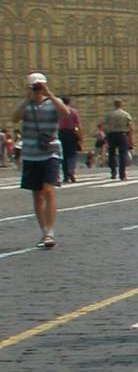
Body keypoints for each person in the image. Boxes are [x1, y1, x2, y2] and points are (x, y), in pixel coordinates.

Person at [13, 73, 64, 248]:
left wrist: (49, 94)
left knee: (49, 190)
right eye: (34, 86)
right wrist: (27, 99)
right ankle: (44, 232)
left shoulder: (53, 103)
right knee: (37, 195)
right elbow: (15, 118)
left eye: (39, 86)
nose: (37, 89)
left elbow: (65, 113)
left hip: (51, 153)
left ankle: (50, 232)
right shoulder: (26, 105)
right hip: (30, 154)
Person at [101, 98, 135, 180]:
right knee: (122, 154)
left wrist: (106, 134)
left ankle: (113, 171)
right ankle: (122, 174)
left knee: (111, 154)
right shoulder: (126, 114)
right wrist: (131, 139)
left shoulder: (109, 115)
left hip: (111, 135)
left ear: (114, 104)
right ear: (121, 104)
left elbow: (103, 125)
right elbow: (130, 127)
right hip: (122, 135)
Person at [56, 96, 82, 184]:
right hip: (71, 133)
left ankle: (65, 175)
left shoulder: (58, 112)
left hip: (61, 133)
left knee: (63, 155)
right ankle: (71, 170)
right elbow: (77, 125)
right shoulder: (74, 112)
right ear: (69, 102)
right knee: (72, 154)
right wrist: (80, 137)